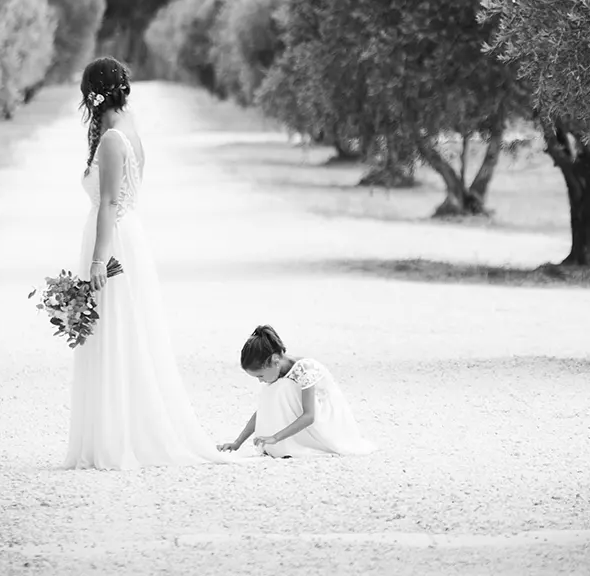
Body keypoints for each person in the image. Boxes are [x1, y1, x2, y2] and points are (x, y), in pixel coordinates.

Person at [64, 56, 231, 469]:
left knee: (116, 331)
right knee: (123, 331)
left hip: (113, 241)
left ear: (92, 94)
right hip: (125, 235)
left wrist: (99, 259)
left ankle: (117, 438)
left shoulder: (112, 139)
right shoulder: (129, 127)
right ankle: (117, 430)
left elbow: (109, 203)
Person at [219, 325, 376, 458]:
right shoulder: (277, 372)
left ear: (275, 361)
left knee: (282, 388)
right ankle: (283, 444)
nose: (260, 380)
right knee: (274, 390)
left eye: (260, 375)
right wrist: (237, 442)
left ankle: (292, 444)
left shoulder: (304, 369)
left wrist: (276, 438)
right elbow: (262, 410)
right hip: (301, 417)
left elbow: (309, 416)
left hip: (325, 421)